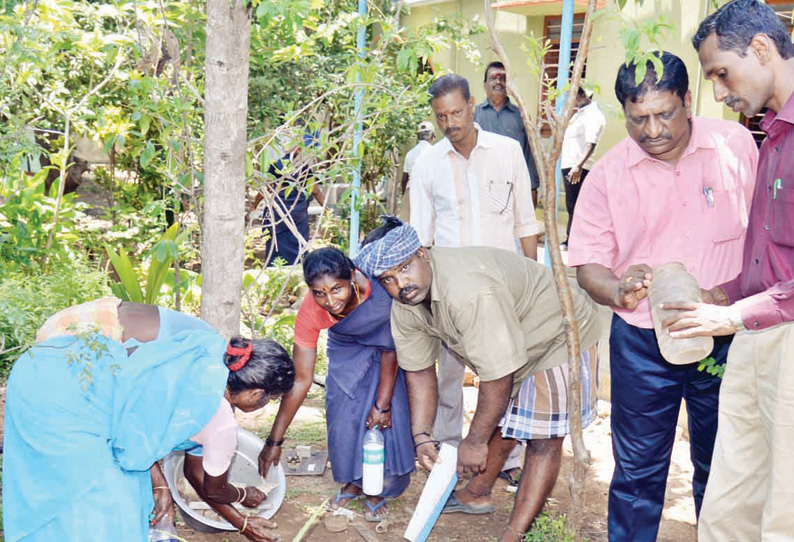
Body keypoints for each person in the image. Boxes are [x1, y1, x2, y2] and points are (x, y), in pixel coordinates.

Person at [566, 51, 758, 542]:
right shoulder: (608, 175)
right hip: (642, 345)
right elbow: (588, 261)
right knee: (636, 473)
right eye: (638, 119)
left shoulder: (735, 146)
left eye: (664, 113)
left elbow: (768, 239)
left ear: (688, 101)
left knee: (726, 467)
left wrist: (729, 294)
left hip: (726, 337)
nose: (652, 130)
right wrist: (618, 290)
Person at [355, 219, 603, 541]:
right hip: (514, 339)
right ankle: (477, 494)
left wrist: (473, 443)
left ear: (422, 254)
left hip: (559, 331)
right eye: (387, 279)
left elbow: (498, 375)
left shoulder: (469, 292)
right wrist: (421, 435)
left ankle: (514, 534)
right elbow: (419, 371)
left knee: (542, 438)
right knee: (502, 418)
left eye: (404, 268)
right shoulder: (406, 305)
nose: (400, 284)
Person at [3, 298, 296, 542]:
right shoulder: (219, 423)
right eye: (268, 399)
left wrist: (162, 486)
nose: (263, 406)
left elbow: (145, 428)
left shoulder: (200, 348)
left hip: (42, 366)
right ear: (256, 392)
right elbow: (212, 487)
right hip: (70, 394)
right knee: (101, 506)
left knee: (53, 488)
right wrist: (242, 498)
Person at [662, 2, 794, 540]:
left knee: (783, 511)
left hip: (783, 341)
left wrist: (734, 315)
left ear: (761, 49)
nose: (718, 92)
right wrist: (717, 297)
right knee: (727, 509)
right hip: (754, 336)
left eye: (721, 72)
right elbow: (770, 257)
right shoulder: (772, 134)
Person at [410, 73, 539, 490]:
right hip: (450, 290)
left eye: (456, 112)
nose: (450, 123)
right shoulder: (428, 162)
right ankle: (448, 456)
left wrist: (533, 279)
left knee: (508, 375)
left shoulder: (507, 151)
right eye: (441, 116)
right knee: (449, 377)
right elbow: (421, 234)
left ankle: (509, 456)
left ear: (471, 105)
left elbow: (524, 221)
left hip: (504, 288)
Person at [257, 246, 414, 521]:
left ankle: (375, 487)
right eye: (319, 293)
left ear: (352, 278)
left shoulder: (378, 290)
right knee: (342, 416)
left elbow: (391, 349)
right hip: (345, 350)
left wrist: (383, 404)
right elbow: (302, 379)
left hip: (389, 354)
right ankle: (353, 480)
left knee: (379, 421)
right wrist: (274, 439)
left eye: (337, 289)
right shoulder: (310, 311)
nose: (330, 301)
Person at [251, 130, 326, 266]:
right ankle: (296, 268)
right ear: (298, 150)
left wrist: (254, 205)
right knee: (297, 245)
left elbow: (266, 189)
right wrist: (325, 207)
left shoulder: (276, 165)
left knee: (276, 246)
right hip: (298, 214)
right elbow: (315, 191)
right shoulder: (304, 168)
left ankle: (275, 269)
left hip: (278, 213)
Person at [475, 61, 540, 207]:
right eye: (493, 78)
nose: (498, 82)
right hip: (481, 191)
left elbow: (529, 156)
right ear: (485, 85)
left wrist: (532, 189)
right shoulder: (474, 116)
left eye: (503, 78)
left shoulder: (521, 116)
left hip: (513, 191)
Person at [560, 87, 606, 249]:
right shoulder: (580, 113)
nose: (569, 100)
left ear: (581, 95)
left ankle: (572, 241)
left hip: (578, 167)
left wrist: (578, 165)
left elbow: (590, 143)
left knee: (576, 206)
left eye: (571, 96)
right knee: (573, 205)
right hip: (572, 165)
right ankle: (573, 240)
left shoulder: (592, 115)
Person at [399, 121, 435, 221]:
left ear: (418, 137)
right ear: (433, 136)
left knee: (409, 224)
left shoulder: (410, 154)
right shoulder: (435, 153)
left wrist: (405, 196)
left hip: (410, 191)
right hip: (428, 192)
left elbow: (404, 179)